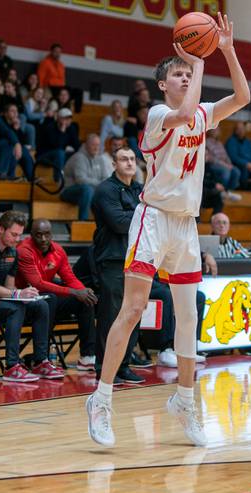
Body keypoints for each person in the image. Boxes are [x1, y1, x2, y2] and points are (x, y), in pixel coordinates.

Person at [86, 12, 250, 448]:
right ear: (163, 84)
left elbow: (243, 96)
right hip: (153, 219)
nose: (183, 78)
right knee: (133, 308)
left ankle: (185, 399)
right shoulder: (162, 113)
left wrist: (228, 50)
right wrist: (199, 60)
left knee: (189, 315)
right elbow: (184, 108)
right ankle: (101, 400)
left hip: (185, 226)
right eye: (176, 74)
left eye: (186, 73)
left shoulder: (202, 115)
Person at [0, 211, 62, 381]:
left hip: (1, 300)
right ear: (1, 229)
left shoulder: (13, 252)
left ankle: (40, 360)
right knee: (16, 308)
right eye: (13, 234)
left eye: (20, 235)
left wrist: (25, 295)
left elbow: (9, 287)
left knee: (41, 304)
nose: (17, 239)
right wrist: (16, 294)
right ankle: (12, 366)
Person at [89, 148, 145, 381]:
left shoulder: (140, 190)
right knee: (111, 316)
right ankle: (103, 368)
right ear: (114, 163)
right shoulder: (105, 190)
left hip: (138, 261)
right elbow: (120, 223)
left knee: (134, 313)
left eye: (132, 159)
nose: (130, 163)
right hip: (112, 260)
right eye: (124, 159)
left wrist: (140, 213)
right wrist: (143, 213)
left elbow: (150, 218)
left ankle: (124, 365)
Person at [16, 218, 98, 371]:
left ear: (52, 234)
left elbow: (70, 278)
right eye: (38, 235)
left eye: (47, 234)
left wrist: (83, 291)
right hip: (24, 300)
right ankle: (42, 359)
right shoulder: (24, 250)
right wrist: (74, 292)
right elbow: (38, 283)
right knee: (51, 299)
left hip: (47, 299)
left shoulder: (58, 251)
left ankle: (87, 357)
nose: (43, 239)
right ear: (31, 235)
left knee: (84, 301)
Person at [62, 134, 113, 220]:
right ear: (86, 145)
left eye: (98, 145)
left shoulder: (100, 159)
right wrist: (100, 184)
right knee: (88, 189)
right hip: (69, 191)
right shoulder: (79, 157)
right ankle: (83, 222)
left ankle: (105, 226)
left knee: (108, 191)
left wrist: (103, 186)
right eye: (93, 145)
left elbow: (106, 178)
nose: (96, 148)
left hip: (91, 192)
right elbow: (81, 180)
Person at [204, 128, 241, 201]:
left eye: (217, 130)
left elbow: (226, 155)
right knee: (225, 171)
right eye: (214, 130)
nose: (216, 131)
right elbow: (211, 158)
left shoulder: (219, 143)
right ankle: (221, 192)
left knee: (236, 171)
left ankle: (229, 191)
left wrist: (230, 164)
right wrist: (225, 165)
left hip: (224, 164)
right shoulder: (206, 142)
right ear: (210, 131)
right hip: (214, 164)